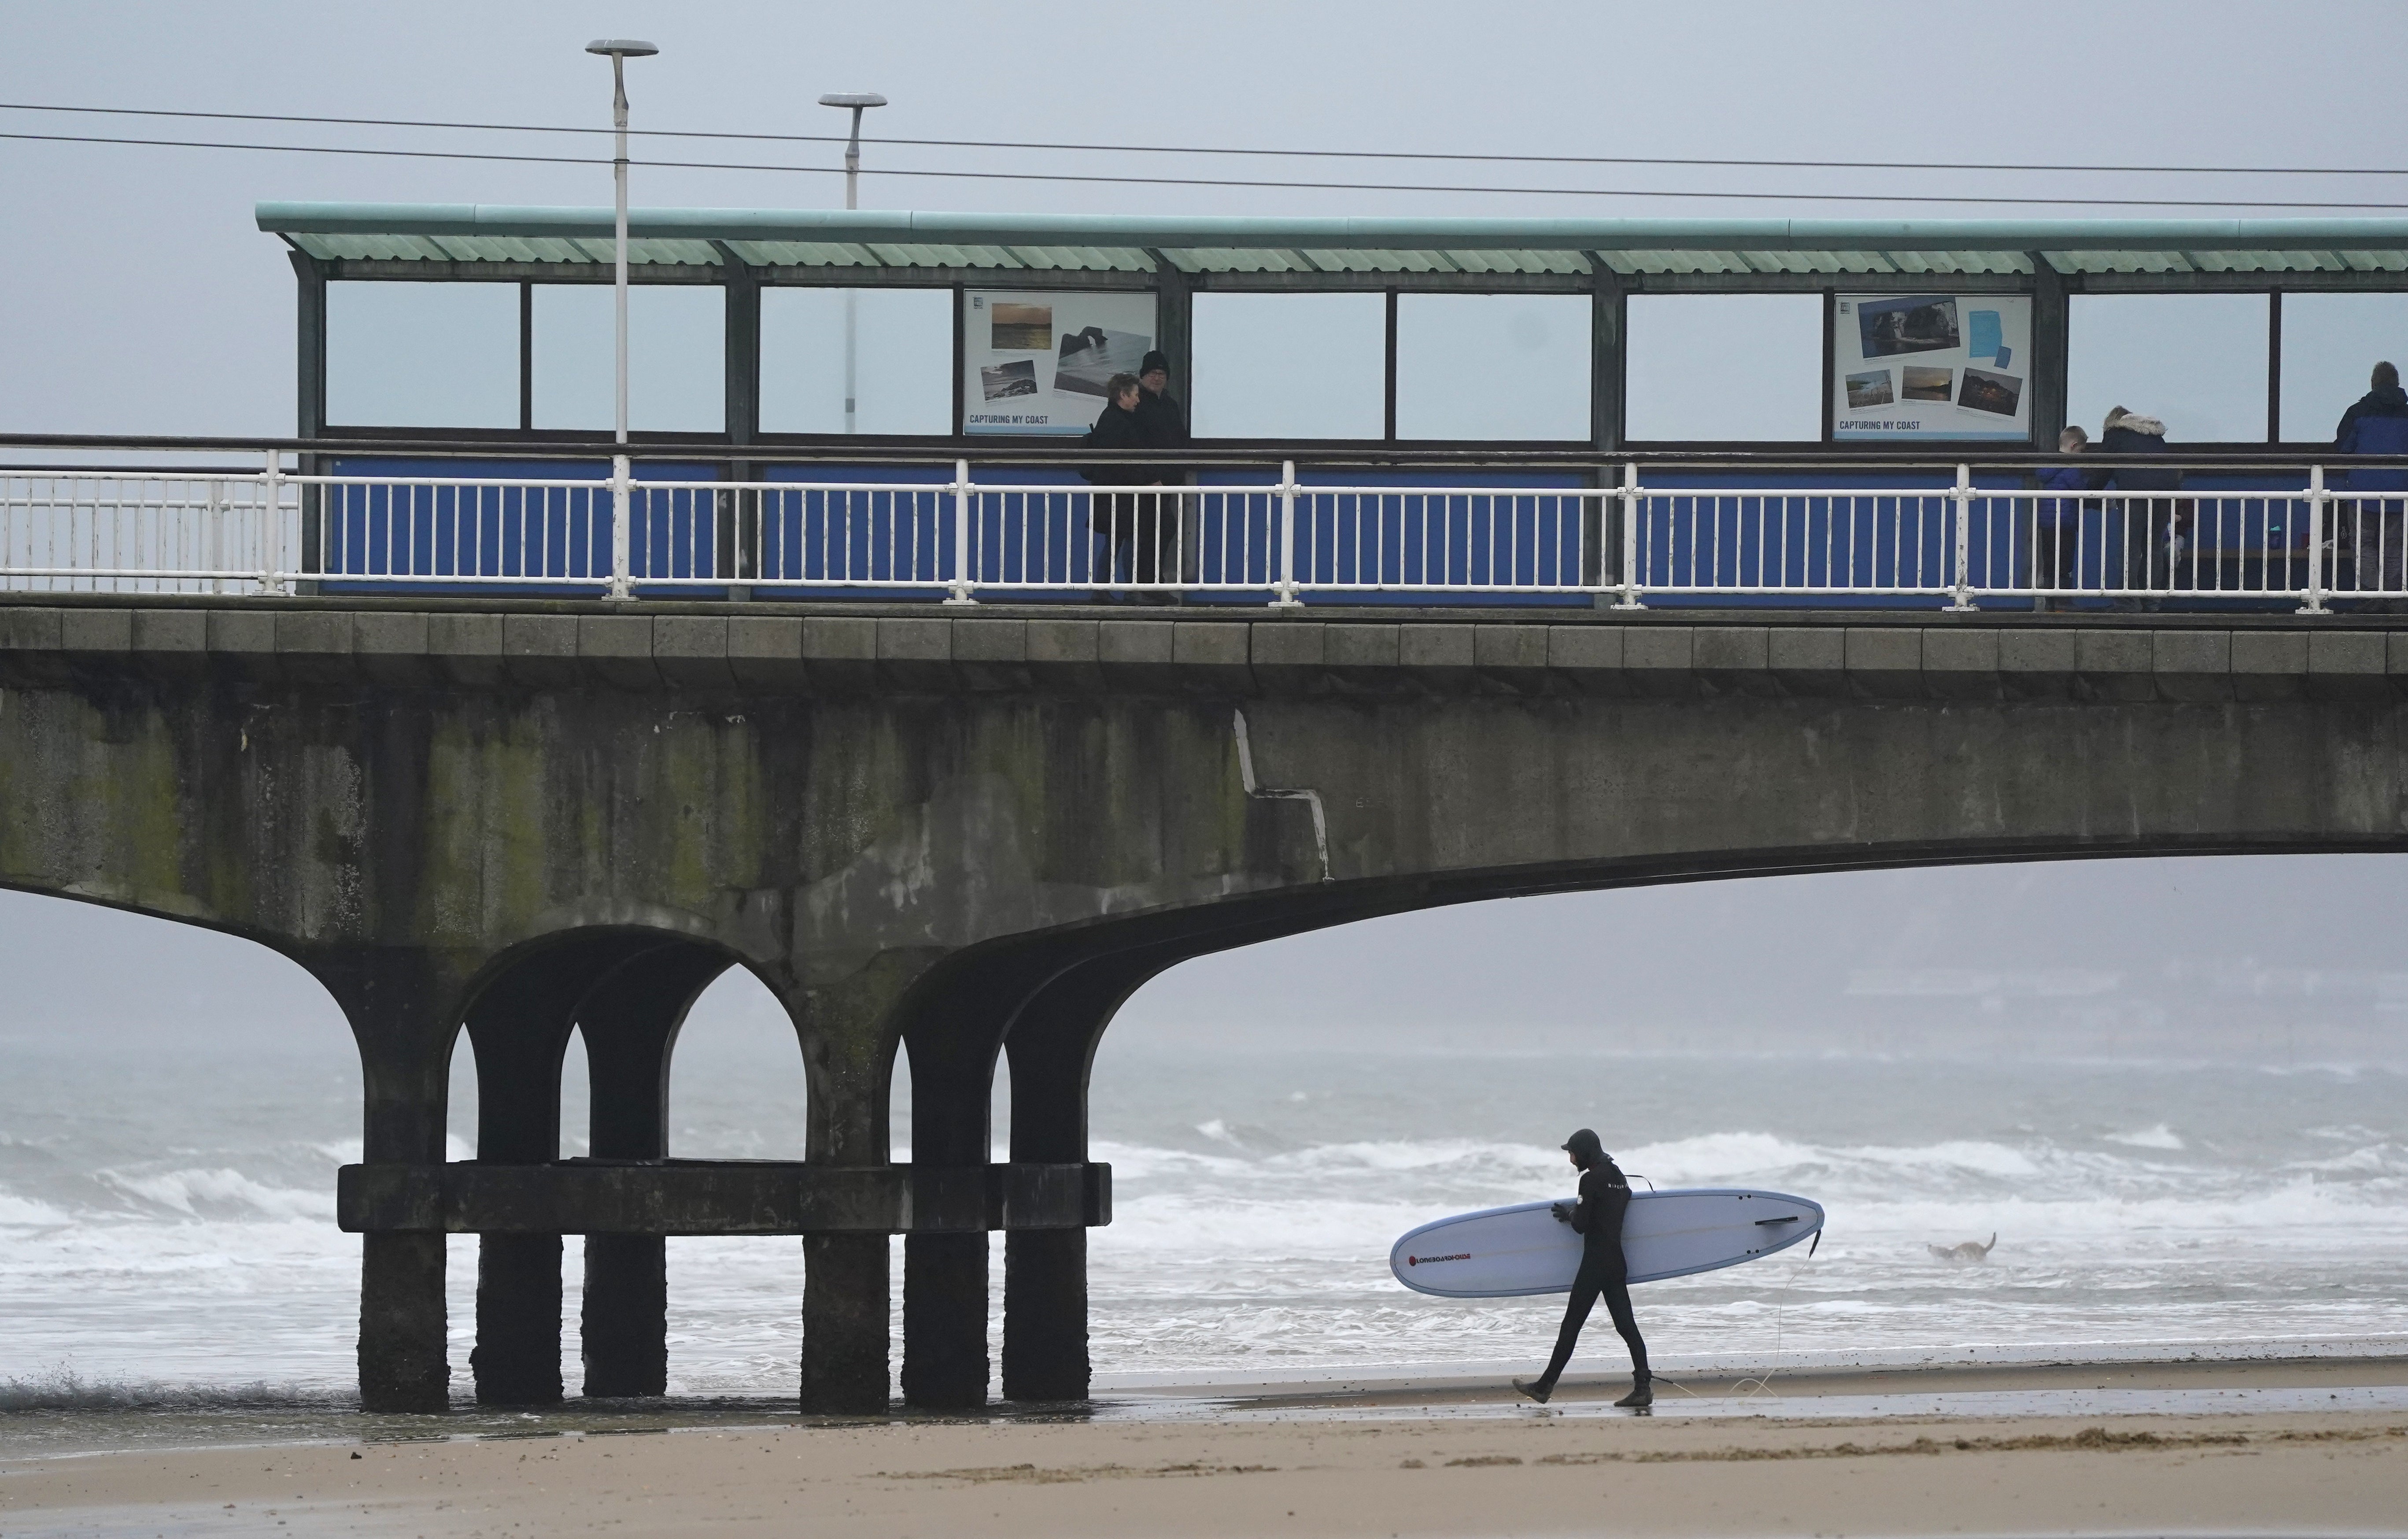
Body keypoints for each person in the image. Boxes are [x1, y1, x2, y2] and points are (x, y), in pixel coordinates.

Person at [1513, 1128, 1651, 1408]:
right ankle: (1643, 1388)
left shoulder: (1590, 1180)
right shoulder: (1618, 1176)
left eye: (1572, 1153)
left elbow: (1581, 1226)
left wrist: (1569, 1215)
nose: (1571, 1159)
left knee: (1572, 1325)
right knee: (1627, 1327)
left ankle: (1544, 1387)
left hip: (1596, 1263)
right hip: (1616, 1261)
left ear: (1585, 1153)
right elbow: (1612, 1209)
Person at [2086, 407, 2184, 607]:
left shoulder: (2116, 434)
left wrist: (2088, 497)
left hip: (2135, 492)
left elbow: (2101, 470)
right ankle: (2152, 602)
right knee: (2154, 546)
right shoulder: (2153, 435)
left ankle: (2127, 602)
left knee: (2130, 547)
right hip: (2166, 492)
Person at [2334, 362, 2408, 601]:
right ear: (2397, 384)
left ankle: (2370, 597)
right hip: (2400, 493)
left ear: (2373, 384)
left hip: (2362, 491)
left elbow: (2342, 449)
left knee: (2363, 544)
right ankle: (2393, 598)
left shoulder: (2357, 412)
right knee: (2394, 546)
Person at [1080, 373, 1149, 593]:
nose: (1138, 400)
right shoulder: (1118, 423)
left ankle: (1105, 590)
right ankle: (1121, 591)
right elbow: (1123, 463)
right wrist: (1144, 482)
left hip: (1113, 494)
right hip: (1118, 495)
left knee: (1116, 542)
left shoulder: (1111, 418)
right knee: (1123, 542)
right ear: (1123, 395)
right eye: (1136, 395)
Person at [2031, 425, 2089, 608]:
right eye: (2081, 450)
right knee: (2064, 563)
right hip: (2065, 522)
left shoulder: (2049, 467)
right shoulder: (2070, 469)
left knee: (2050, 562)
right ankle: (2063, 602)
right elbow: (2083, 491)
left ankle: (2050, 603)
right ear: (2074, 446)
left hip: (2048, 523)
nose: (2082, 455)